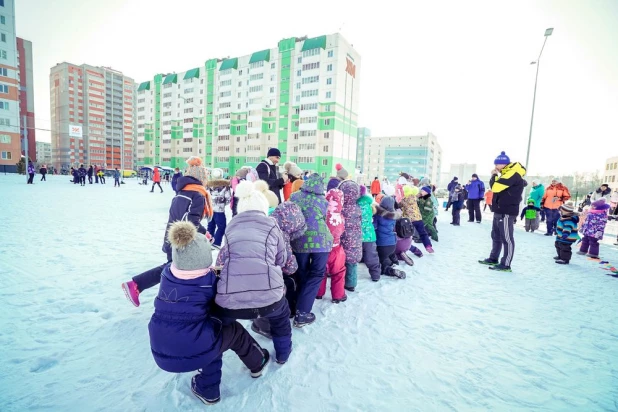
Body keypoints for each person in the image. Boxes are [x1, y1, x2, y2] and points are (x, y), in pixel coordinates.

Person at [148, 221, 269, 406]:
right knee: (231, 331)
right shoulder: (210, 281)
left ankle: (209, 390)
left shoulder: (167, 274)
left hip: (160, 349)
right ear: (204, 259)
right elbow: (223, 301)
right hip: (195, 346)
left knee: (208, 336)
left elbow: (199, 276)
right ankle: (257, 362)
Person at [213, 180, 292, 366]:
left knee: (219, 323)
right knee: (281, 317)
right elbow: (282, 259)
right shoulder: (272, 226)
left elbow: (221, 260)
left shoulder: (231, 227)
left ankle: (217, 361)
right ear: (264, 207)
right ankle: (283, 354)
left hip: (230, 302)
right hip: (269, 298)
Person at [122, 157, 213, 307]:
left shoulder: (182, 192)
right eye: (206, 177)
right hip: (181, 240)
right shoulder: (198, 195)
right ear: (201, 178)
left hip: (171, 238)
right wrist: (205, 233)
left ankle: (167, 297)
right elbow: (191, 221)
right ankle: (137, 284)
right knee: (173, 268)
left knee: (174, 269)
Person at [251, 201, 307, 339]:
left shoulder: (264, 223)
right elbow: (288, 264)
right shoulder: (280, 233)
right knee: (286, 283)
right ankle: (265, 326)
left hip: (250, 268)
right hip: (267, 272)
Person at [289, 174, 333, 328]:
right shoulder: (324, 201)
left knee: (300, 272)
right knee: (316, 274)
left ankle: (294, 307)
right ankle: (303, 312)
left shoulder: (294, 197)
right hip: (322, 242)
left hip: (299, 240)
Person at [479, 151, 526, 272]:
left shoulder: (513, 173)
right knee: (496, 235)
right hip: (499, 209)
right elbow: (495, 188)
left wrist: (494, 176)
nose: (495, 167)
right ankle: (493, 258)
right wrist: (494, 177)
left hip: (507, 210)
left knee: (507, 238)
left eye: (497, 164)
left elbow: (495, 187)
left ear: (503, 164)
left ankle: (506, 264)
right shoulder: (505, 173)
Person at [316, 188, 347, 303]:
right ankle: (338, 296)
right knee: (338, 272)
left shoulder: (321, 216)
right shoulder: (341, 217)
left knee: (320, 271)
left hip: (321, 249)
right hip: (336, 249)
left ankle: (318, 293)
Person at [339, 180, 363, 293]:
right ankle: (351, 284)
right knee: (352, 263)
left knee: (340, 262)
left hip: (343, 239)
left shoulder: (340, 208)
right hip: (355, 240)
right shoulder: (358, 208)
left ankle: (340, 282)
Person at [373, 196, 406, 279]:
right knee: (389, 254)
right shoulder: (394, 216)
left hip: (382, 244)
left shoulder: (378, 215)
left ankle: (389, 270)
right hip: (393, 243)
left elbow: (374, 227)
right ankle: (394, 261)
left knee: (381, 261)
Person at [358, 186, 382, 282]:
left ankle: (349, 278)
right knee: (371, 256)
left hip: (356, 236)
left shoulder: (355, 205)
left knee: (352, 257)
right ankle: (376, 274)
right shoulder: (369, 205)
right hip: (370, 236)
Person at [400, 185, 434, 253]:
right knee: (423, 233)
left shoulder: (404, 200)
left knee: (406, 234)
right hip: (418, 218)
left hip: (410, 220)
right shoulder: (415, 198)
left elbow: (399, 207)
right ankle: (428, 246)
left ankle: (405, 247)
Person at [206, 168, 231, 247]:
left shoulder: (208, 185)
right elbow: (228, 198)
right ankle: (216, 243)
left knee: (210, 227)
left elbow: (205, 197)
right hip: (219, 210)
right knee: (222, 227)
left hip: (210, 210)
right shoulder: (225, 186)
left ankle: (208, 242)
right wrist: (222, 204)